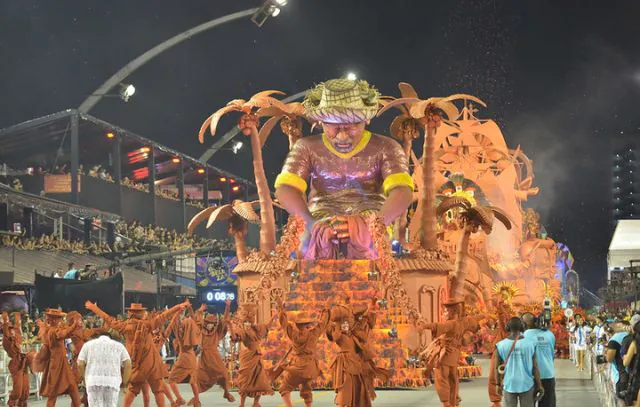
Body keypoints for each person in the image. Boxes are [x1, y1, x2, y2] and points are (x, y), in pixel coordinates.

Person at [274, 78, 414, 260]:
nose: (341, 136)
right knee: (309, 247)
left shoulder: (387, 147)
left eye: (351, 126)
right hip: (320, 217)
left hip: (371, 218)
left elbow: (402, 191)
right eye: (333, 126)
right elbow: (285, 189)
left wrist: (371, 225)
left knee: (373, 250)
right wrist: (312, 224)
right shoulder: (306, 147)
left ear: (366, 119)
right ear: (321, 121)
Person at [85, 300, 189, 407]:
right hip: (151, 363)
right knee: (158, 390)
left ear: (130, 313)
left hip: (137, 365)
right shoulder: (148, 325)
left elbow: (108, 319)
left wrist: (94, 308)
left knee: (133, 390)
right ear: (140, 313)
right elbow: (163, 316)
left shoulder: (124, 326)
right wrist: (178, 306)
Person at [417, 299, 481, 407]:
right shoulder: (464, 322)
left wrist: (423, 326)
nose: (444, 313)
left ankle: (446, 403)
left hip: (446, 355)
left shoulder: (451, 323)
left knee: (442, 378)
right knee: (453, 378)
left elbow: (437, 326)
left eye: (446, 311)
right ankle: (453, 401)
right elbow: (475, 320)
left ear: (452, 311)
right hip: (455, 355)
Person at [273, 299, 330, 407]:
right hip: (311, 369)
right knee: (306, 386)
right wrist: (326, 309)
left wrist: (280, 308)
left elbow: (284, 323)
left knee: (284, 388)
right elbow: (323, 323)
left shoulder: (294, 335)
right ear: (308, 325)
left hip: (298, 368)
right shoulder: (314, 333)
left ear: (297, 325)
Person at [326, 304, 373, 407]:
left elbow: (364, 309)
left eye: (346, 323)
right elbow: (334, 335)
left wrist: (353, 311)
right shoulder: (339, 336)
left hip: (355, 363)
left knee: (357, 386)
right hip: (345, 364)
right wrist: (336, 322)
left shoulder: (353, 336)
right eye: (343, 324)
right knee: (346, 387)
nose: (345, 325)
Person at [230, 303, 276, 407]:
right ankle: (242, 404)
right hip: (247, 356)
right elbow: (235, 337)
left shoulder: (257, 328)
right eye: (250, 316)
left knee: (260, 380)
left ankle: (256, 403)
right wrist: (230, 326)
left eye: (253, 316)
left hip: (257, 356)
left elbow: (267, 327)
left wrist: (274, 316)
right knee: (246, 379)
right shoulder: (241, 329)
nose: (252, 318)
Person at [495, 317, 544, 407]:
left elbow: (497, 367)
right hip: (527, 383)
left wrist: (497, 384)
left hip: (509, 384)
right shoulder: (530, 343)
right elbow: (535, 367)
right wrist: (539, 385)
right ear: (522, 327)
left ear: (507, 327)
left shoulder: (501, 345)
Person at [192, 299, 235, 403]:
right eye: (208, 322)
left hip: (214, 356)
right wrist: (200, 310)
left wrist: (228, 307)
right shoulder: (202, 327)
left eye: (212, 322)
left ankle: (226, 392)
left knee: (224, 374)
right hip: (204, 356)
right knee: (199, 379)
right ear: (206, 322)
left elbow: (224, 319)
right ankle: (196, 399)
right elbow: (196, 319)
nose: (210, 325)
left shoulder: (217, 329)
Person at [39, 308, 82, 407]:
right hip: (58, 364)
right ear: (55, 320)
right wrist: (74, 325)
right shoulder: (54, 331)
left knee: (71, 388)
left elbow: (66, 334)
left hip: (58, 363)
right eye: (60, 319)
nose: (62, 321)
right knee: (56, 392)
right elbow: (64, 333)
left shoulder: (50, 330)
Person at [77, 329, 132, 407]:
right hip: (112, 382)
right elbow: (128, 364)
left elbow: (80, 364)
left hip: (93, 381)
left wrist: (84, 379)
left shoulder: (87, 345)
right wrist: (125, 383)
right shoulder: (119, 346)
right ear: (110, 338)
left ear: (97, 337)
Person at [166, 305, 202, 407]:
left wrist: (177, 312)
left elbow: (174, 323)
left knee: (172, 380)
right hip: (192, 358)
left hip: (184, 358)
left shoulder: (180, 335)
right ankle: (197, 401)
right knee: (193, 381)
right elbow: (196, 320)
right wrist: (192, 310)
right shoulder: (194, 331)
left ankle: (179, 398)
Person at [522, 312, 556, 407]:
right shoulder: (550, 335)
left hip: (530, 376)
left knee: (528, 403)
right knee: (548, 403)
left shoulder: (524, 335)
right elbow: (552, 354)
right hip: (548, 374)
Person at [2, 312, 33, 407]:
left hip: (23, 362)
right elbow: (7, 336)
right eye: (18, 320)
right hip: (16, 364)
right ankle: (11, 404)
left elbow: (24, 346)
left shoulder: (20, 332)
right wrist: (5, 322)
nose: (20, 322)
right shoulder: (10, 332)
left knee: (25, 391)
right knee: (17, 391)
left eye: (20, 320)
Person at [606, 319, 630, 398]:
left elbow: (609, 358)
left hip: (620, 375)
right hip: (634, 375)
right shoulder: (634, 336)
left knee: (621, 401)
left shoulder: (614, 339)